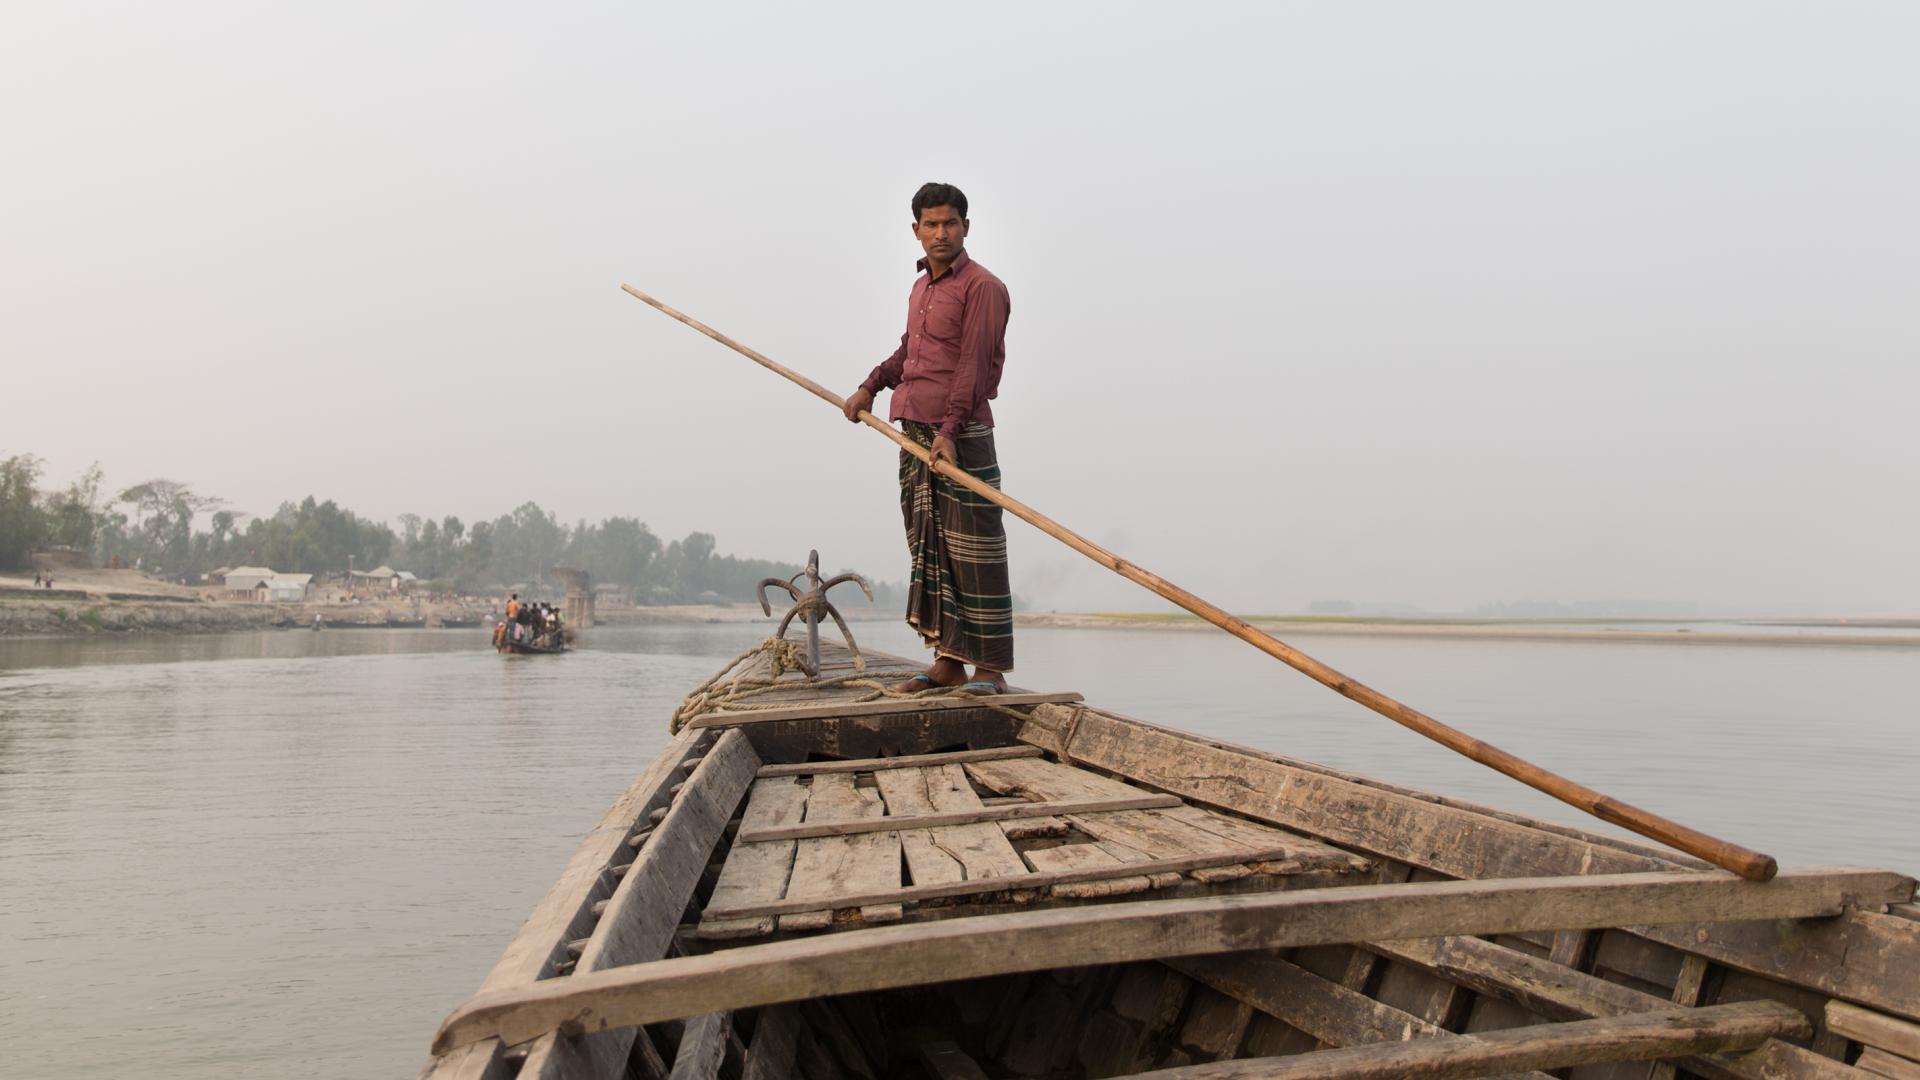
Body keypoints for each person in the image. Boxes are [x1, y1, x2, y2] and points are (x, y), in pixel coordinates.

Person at [843, 181, 1013, 694]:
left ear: (966, 227)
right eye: (931, 224)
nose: (941, 233)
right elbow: (911, 352)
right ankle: (948, 662)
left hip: (958, 435)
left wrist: (950, 431)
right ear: (915, 230)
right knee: (931, 548)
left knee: (975, 550)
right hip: (915, 431)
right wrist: (869, 386)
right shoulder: (921, 288)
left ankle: (989, 671)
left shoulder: (982, 287)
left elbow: (973, 365)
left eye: (951, 223)